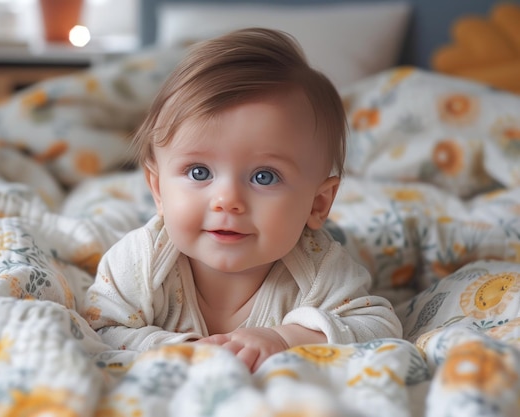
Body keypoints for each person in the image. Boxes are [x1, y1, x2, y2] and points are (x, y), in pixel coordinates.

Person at [82, 27, 402, 372]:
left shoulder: (320, 269)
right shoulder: (140, 261)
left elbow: (379, 326)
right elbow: (104, 327)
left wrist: (289, 337)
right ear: (158, 190)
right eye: (199, 172)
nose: (227, 201)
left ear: (317, 204)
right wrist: (185, 350)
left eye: (264, 176)